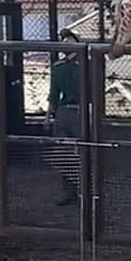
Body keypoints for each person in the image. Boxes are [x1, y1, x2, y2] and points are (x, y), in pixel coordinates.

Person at [46, 29, 81, 206]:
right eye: (64, 41)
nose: (67, 44)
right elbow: (53, 94)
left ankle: (86, 190)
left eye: (70, 40)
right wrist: (49, 116)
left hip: (81, 111)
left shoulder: (87, 64)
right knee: (63, 153)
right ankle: (69, 192)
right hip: (63, 112)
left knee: (83, 152)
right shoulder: (58, 67)